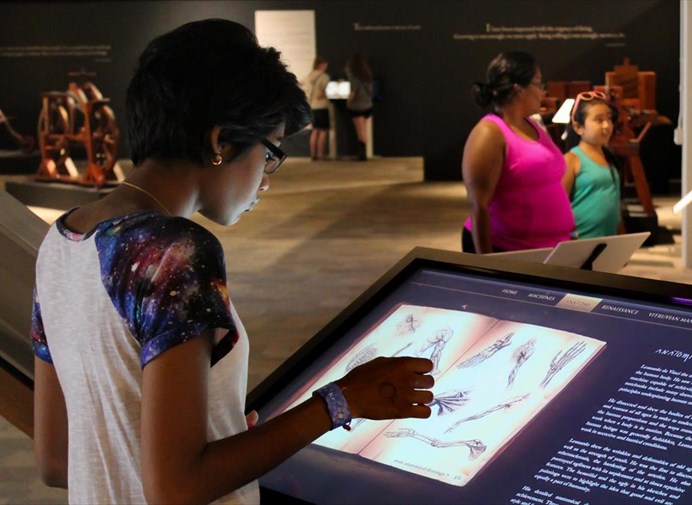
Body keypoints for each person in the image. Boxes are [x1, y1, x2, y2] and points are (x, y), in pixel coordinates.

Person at [30, 19, 435, 505]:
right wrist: (340, 401)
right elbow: (177, 488)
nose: (266, 179)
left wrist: (224, 443)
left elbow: (56, 458)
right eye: (270, 153)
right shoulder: (175, 251)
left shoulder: (61, 239)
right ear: (221, 142)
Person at [461, 51, 575, 254]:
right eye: (538, 84)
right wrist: (487, 265)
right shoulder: (489, 133)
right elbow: (478, 205)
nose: (542, 92)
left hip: (548, 248)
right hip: (508, 249)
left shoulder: (532, 125)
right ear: (518, 89)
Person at [561, 91, 623, 238]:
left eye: (608, 118)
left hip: (609, 242)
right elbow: (558, 208)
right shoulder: (571, 160)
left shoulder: (609, 158)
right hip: (581, 244)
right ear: (578, 127)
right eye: (599, 120)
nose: (607, 125)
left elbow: (615, 206)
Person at [301, 56, 331, 160]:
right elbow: (325, 92)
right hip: (322, 106)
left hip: (312, 107)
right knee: (323, 130)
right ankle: (320, 154)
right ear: (322, 65)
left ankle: (313, 154)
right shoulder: (324, 76)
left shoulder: (309, 76)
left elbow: (301, 85)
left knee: (314, 130)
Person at [344, 53, 373, 161]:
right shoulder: (367, 75)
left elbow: (354, 92)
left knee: (361, 133)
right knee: (364, 130)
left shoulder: (353, 76)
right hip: (368, 106)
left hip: (357, 107)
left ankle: (362, 155)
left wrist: (348, 102)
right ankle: (363, 154)